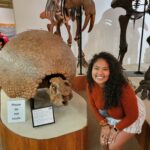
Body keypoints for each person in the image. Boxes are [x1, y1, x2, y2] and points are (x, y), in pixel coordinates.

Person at [86, 52, 146, 150]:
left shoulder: (124, 89)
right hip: (111, 113)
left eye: (105, 69)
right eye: (96, 68)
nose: (99, 73)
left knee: (113, 146)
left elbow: (132, 116)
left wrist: (116, 128)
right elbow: (93, 107)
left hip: (131, 114)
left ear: (112, 72)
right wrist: (104, 125)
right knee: (103, 143)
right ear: (91, 69)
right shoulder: (90, 84)